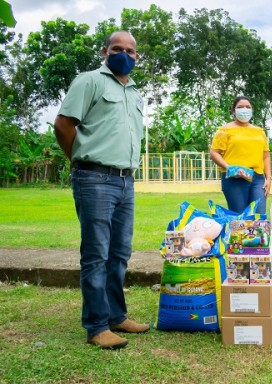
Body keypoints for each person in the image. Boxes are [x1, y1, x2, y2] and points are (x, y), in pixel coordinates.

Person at [53, 31, 149, 350]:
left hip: (126, 180)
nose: (124, 53)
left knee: (120, 252)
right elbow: (64, 124)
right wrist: (78, 162)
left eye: (130, 50)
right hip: (94, 177)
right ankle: (96, 326)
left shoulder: (134, 92)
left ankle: (116, 315)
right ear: (105, 51)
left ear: (136, 56)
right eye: (117, 48)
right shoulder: (89, 80)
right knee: (96, 254)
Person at [210, 96, 272, 214]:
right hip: (235, 178)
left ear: (252, 110)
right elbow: (214, 153)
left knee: (259, 216)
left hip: (257, 178)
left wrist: (268, 178)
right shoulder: (224, 130)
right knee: (239, 218)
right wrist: (229, 168)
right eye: (240, 107)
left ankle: (259, 234)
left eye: (248, 107)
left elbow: (266, 156)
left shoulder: (259, 132)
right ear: (233, 111)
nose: (244, 109)